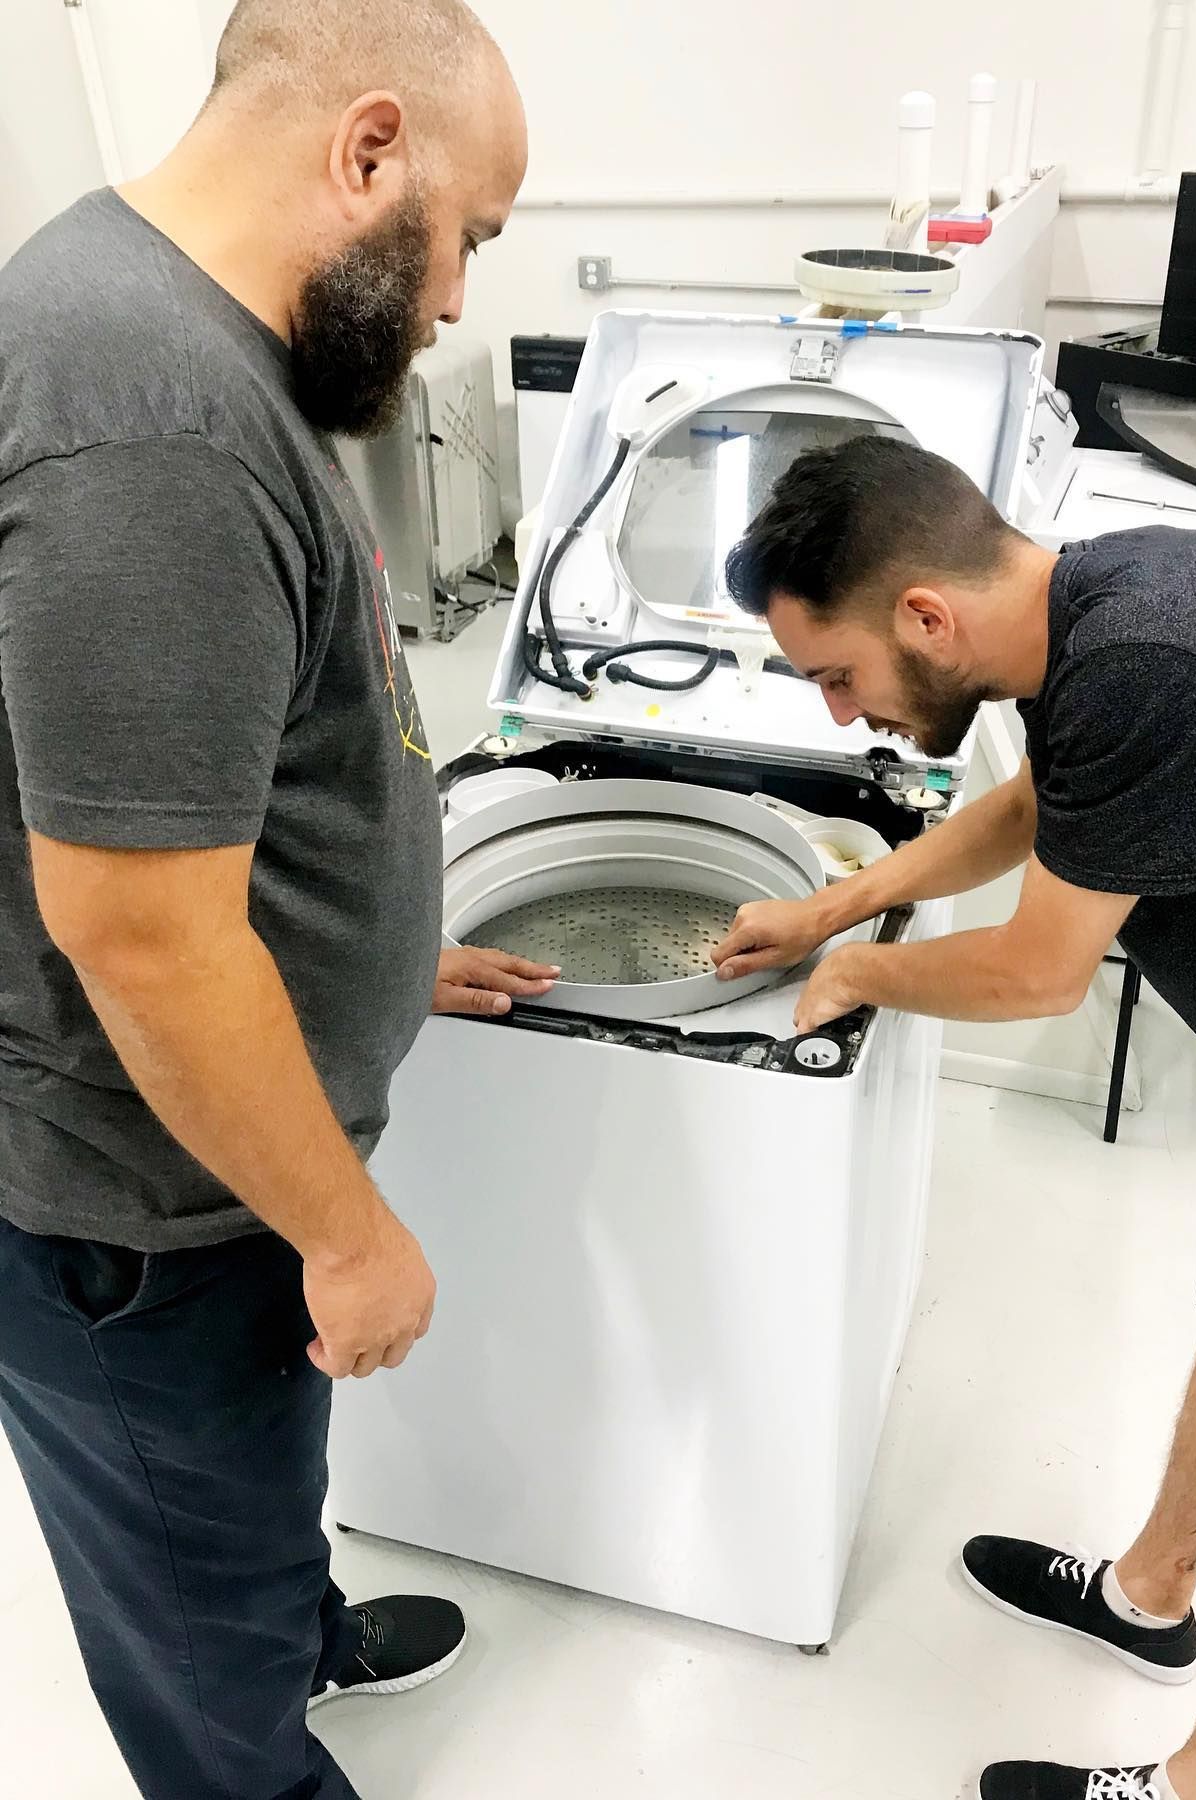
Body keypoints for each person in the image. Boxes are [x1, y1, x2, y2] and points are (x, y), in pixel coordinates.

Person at [712, 435, 1196, 1800]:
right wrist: (833, 905)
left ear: (926, 616)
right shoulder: (1100, 607)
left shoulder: (1148, 661)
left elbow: (1039, 975)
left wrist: (861, 972)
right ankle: (1149, 1596)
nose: (835, 715)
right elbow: (1040, 804)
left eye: (836, 676)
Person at [0, 5, 552, 1796]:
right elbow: (142, 928)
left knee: (253, 1487)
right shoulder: (144, 413)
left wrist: (384, 953)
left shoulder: (197, 338)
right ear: (369, 149)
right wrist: (345, 1234)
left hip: (225, 1160)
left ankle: (296, 1624)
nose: (461, 296)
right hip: (143, 1212)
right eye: (471, 231)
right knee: (189, 1612)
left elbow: (229, 771)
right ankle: (259, 1736)